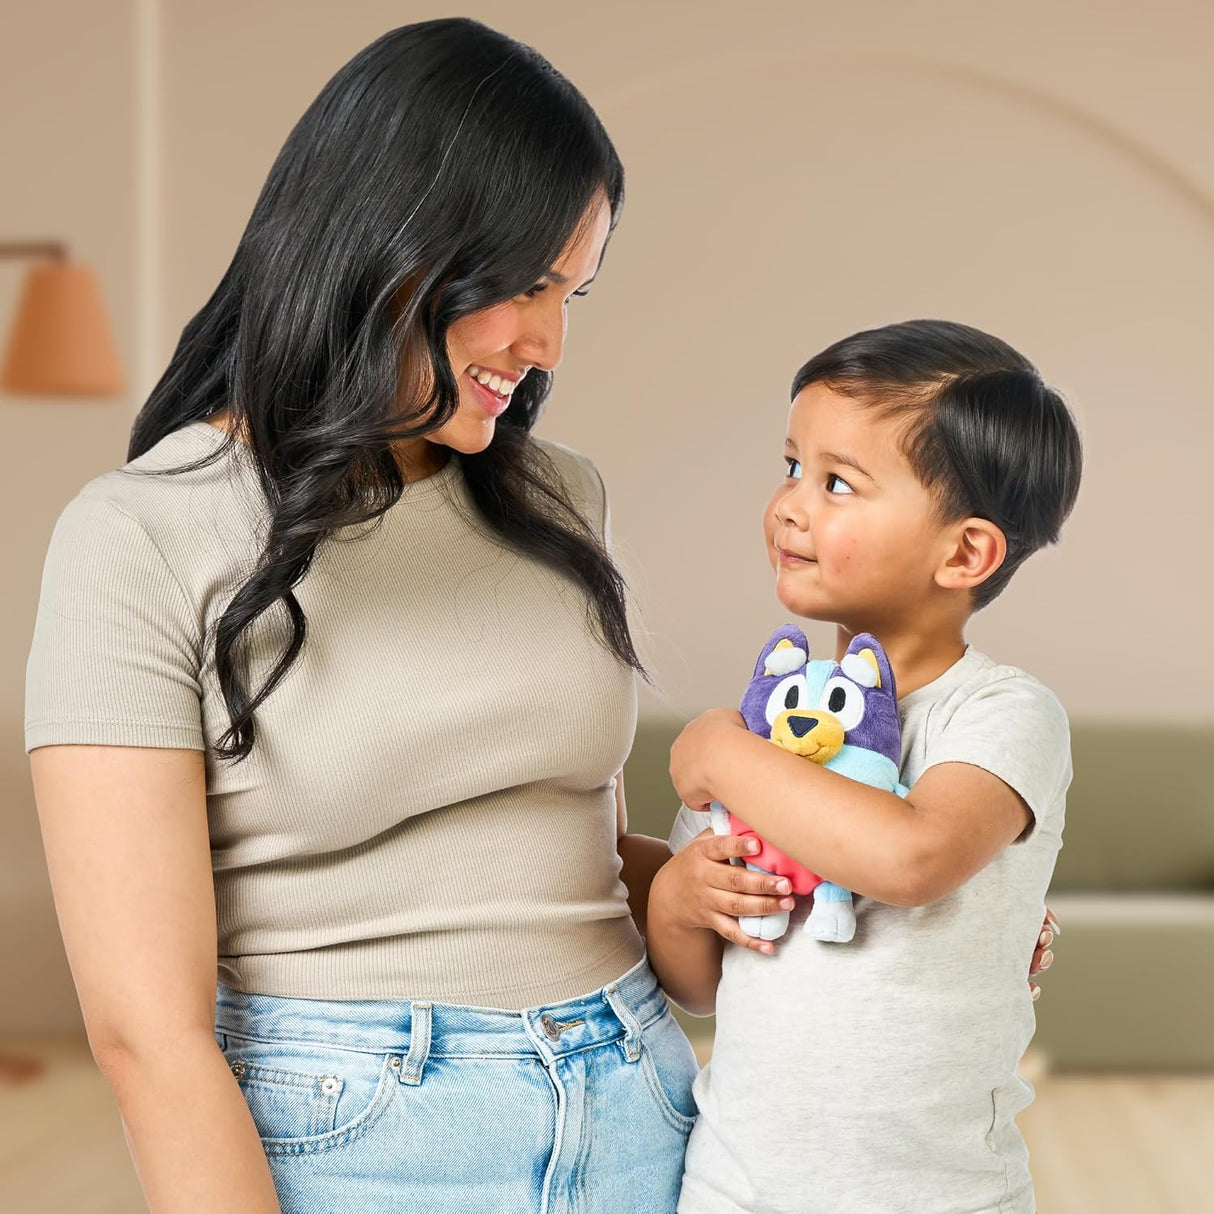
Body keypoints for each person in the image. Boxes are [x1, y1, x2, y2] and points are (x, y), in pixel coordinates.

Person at [25, 19, 695, 1213]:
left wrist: (875, 906)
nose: (544, 343)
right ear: (393, 244)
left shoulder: (556, 497)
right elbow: (147, 1033)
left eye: (570, 291)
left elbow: (569, 858)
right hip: (363, 1138)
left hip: (638, 1095)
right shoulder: (138, 536)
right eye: (523, 284)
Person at [646, 319, 1081, 1214]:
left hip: (940, 1195)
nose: (791, 505)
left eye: (838, 482)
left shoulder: (1001, 714)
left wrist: (721, 751)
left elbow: (910, 859)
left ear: (965, 552)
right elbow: (697, 984)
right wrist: (678, 899)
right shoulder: (773, 727)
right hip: (735, 1187)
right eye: (792, 466)